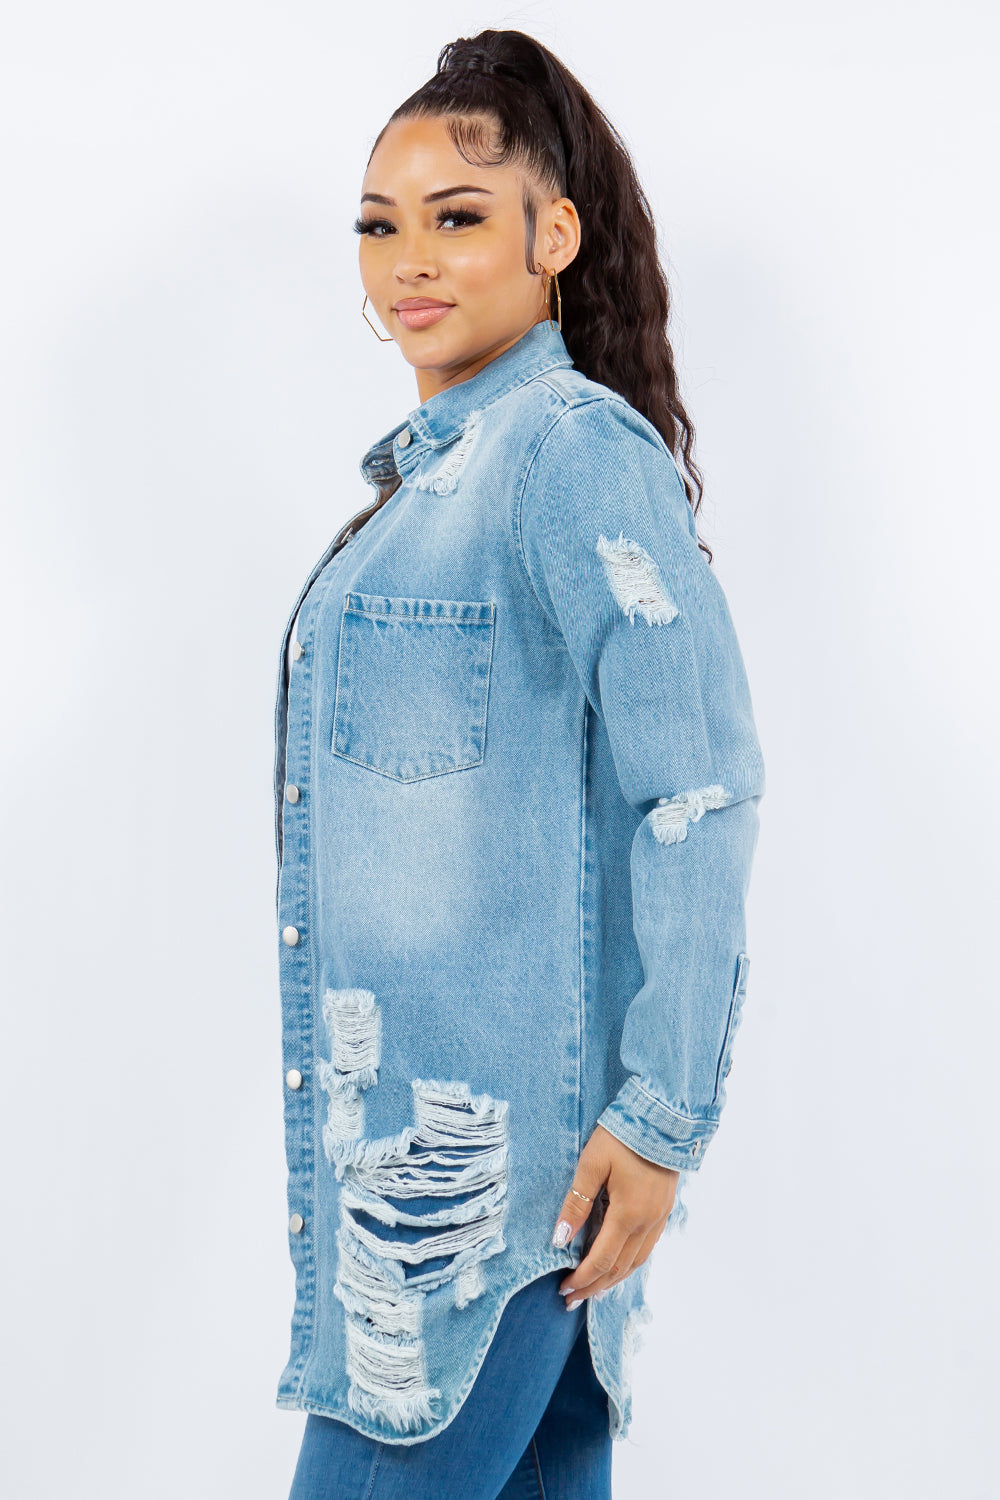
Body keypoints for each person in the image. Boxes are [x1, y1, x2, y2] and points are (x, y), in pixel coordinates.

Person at [275, 28, 765, 1500]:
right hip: (436, 1188)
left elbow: (699, 789)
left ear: (555, 234)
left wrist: (661, 1113)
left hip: (473, 1216)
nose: (409, 260)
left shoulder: (564, 454)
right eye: (380, 224)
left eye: (459, 215)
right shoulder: (427, 486)